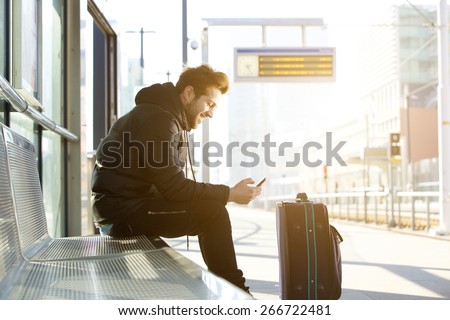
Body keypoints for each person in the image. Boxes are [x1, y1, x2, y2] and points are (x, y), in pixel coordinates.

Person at [91, 64, 262, 293]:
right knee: (213, 213)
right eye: (209, 104)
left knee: (210, 209)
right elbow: (175, 188)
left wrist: (224, 193)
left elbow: (171, 185)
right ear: (189, 93)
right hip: (122, 214)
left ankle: (234, 292)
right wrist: (230, 193)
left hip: (125, 207)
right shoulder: (158, 120)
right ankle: (239, 296)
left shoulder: (165, 117)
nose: (211, 113)